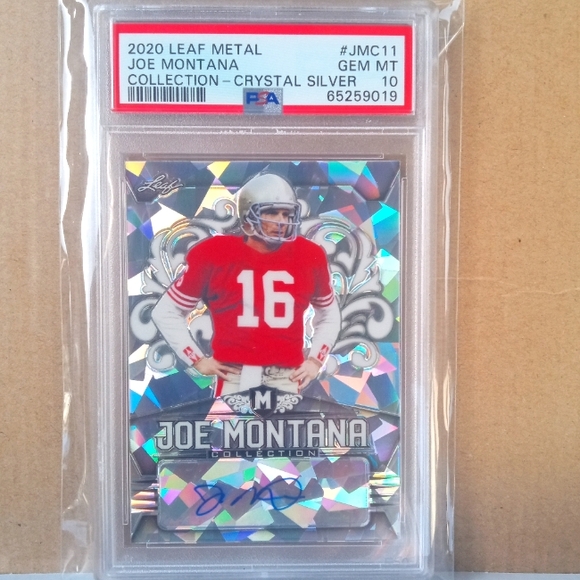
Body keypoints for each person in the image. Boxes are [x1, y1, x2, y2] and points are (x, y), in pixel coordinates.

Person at [151, 172, 341, 397]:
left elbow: (328, 313)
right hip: (234, 375)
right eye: (271, 212)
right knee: (229, 422)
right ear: (247, 216)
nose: (281, 221)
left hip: (286, 376)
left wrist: (316, 360)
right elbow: (166, 311)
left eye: (286, 213)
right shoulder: (215, 253)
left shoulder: (308, 254)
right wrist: (197, 359)